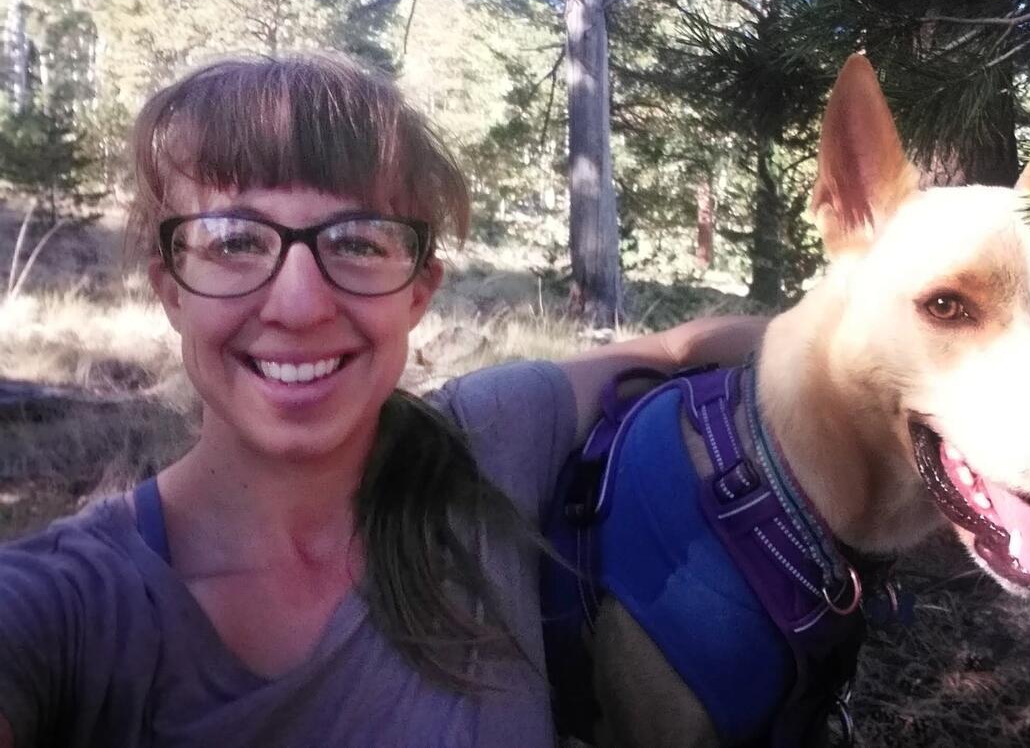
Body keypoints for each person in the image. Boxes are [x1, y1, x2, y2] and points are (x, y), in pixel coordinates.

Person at [0, 54, 766, 747]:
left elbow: (678, 348)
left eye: (358, 241)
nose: (298, 307)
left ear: (419, 291)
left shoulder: (486, 446)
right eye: (234, 240)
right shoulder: (64, 611)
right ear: (170, 287)